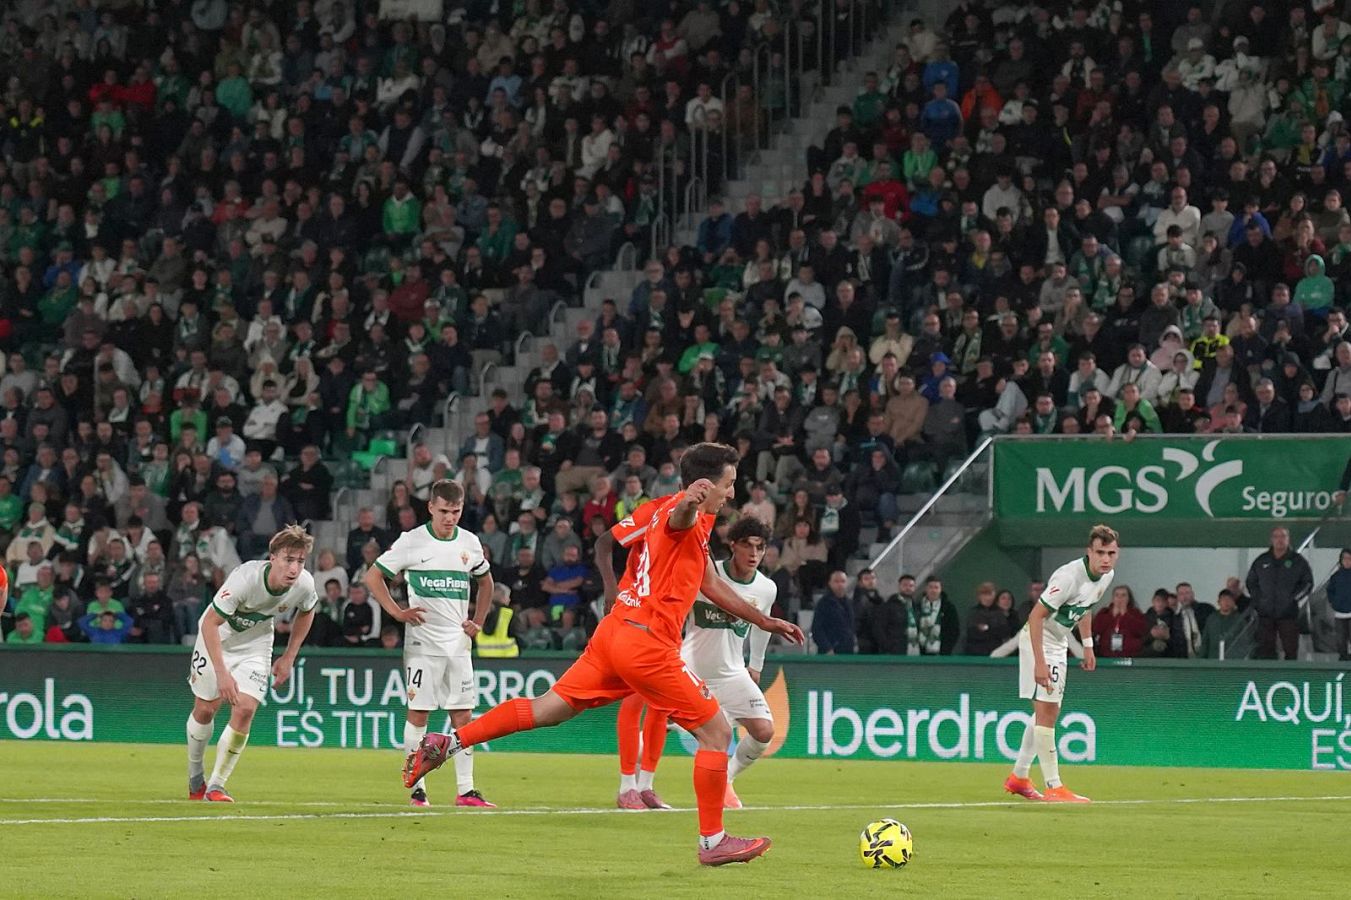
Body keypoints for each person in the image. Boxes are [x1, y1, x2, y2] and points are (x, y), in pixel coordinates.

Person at [402, 443, 804, 866]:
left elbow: (710, 583)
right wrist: (689, 500)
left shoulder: (675, 516)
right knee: (717, 734)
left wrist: (764, 620)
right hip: (648, 644)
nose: (732, 493)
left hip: (615, 634)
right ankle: (712, 840)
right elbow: (678, 518)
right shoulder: (680, 512)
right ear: (704, 485)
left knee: (547, 709)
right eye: (729, 484)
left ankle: (447, 743)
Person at [365, 480, 495, 809]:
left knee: (463, 716)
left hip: (458, 644)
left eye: (456, 511)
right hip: (423, 643)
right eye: (444, 511)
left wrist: (478, 621)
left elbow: (486, 582)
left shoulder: (469, 542)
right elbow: (373, 576)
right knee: (419, 713)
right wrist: (397, 612)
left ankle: (466, 790)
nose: (450, 517)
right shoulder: (412, 541)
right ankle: (417, 789)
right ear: (431, 508)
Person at [186, 525, 317, 802]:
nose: (294, 568)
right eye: (288, 560)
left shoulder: (304, 584)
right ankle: (196, 774)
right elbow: (210, 623)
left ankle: (217, 785)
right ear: (273, 558)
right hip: (217, 637)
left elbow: (307, 611)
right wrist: (222, 673)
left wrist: (289, 656)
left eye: (300, 561)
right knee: (206, 709)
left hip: (256, 642)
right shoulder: (245, 579)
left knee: (245, 708)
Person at [1005, 525, 1118, 804]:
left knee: (1046, 711)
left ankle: (1019, 777)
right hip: (1039, 640)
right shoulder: (1069, 577)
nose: (1106, 559)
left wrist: (1088, 645)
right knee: (1048, 712)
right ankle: (1053, 786)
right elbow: (1035, 616)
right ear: (1089, 552)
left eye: (1111, 553)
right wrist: (1039, 663)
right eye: (1100, 552)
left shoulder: (1107, 576)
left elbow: (1085, 608)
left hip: (1058, 641)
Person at [681, 516, 779, 810]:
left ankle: (727, 779)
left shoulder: (766, 588)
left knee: (764, 731)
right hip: (691, 670)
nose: (754, 554)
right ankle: (636, 785)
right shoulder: (708, 574)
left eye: (760, 547)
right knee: (659, 727)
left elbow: (763, 626)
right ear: (732, 545)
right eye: (747, 545)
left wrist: (756, 665)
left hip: (732, 673)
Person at [1245, 526, 1314, 660]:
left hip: (1288, 613)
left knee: (1291, 650)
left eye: (1283, 536)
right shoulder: (1261, 560)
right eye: (1276, 536)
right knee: (1265, 651)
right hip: (1265, 614)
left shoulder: (1298, 561)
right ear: (1271, 539)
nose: (1280, 540)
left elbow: (1307, 583)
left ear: (1288, 539)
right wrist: (1259, 599)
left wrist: (1294, 599)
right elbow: (1251, 582)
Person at [1325, 548, 1351, 661]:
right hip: (1339, 614)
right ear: (1341, 560)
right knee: (1340, 639)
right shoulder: (1336, 576)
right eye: (1345, 558)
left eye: (1349, 558)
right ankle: (1343, 658)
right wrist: (1333, 603)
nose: (1347, 561)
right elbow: (1330, 591)